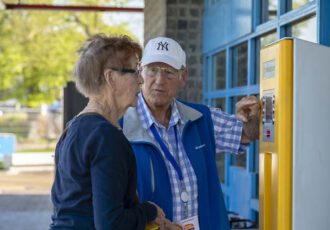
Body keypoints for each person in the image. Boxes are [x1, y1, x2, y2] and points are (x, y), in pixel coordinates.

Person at [120, 37, 260, 230]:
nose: (159, 80)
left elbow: (246, 133)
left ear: (183, 77)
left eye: (169, 72)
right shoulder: (119, 127)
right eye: (152, 70)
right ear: (140, 73)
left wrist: (252, 116)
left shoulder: (201, 118)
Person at [50, 34, 168, 230]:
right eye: (135, 71)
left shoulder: (73, 128)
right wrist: (150, 211)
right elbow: (111, 224)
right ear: (111, 78)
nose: (141, 80)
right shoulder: (106, 137)